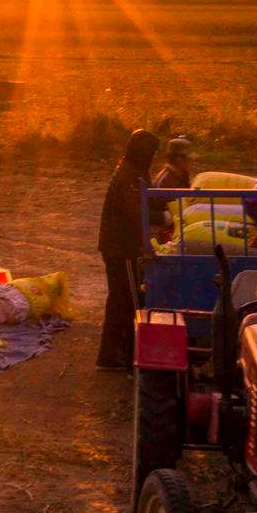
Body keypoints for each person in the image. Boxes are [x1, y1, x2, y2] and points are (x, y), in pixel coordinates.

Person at [97, 128, 161, 370]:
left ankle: (115, 354)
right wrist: (162, 217)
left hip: (118, 246)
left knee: (121, 299)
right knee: (125, 300)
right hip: (121, 248)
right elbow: (135, 211)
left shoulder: (132, 170)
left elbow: (146, 201)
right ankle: (115, 356)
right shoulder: (130, 176)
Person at [148, 135, 193, 241]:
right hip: (165, 233)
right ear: (179, 159)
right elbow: (158, 212)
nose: (191, 162)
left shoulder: (181, 176)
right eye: (188, 159)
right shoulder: (166, 181)